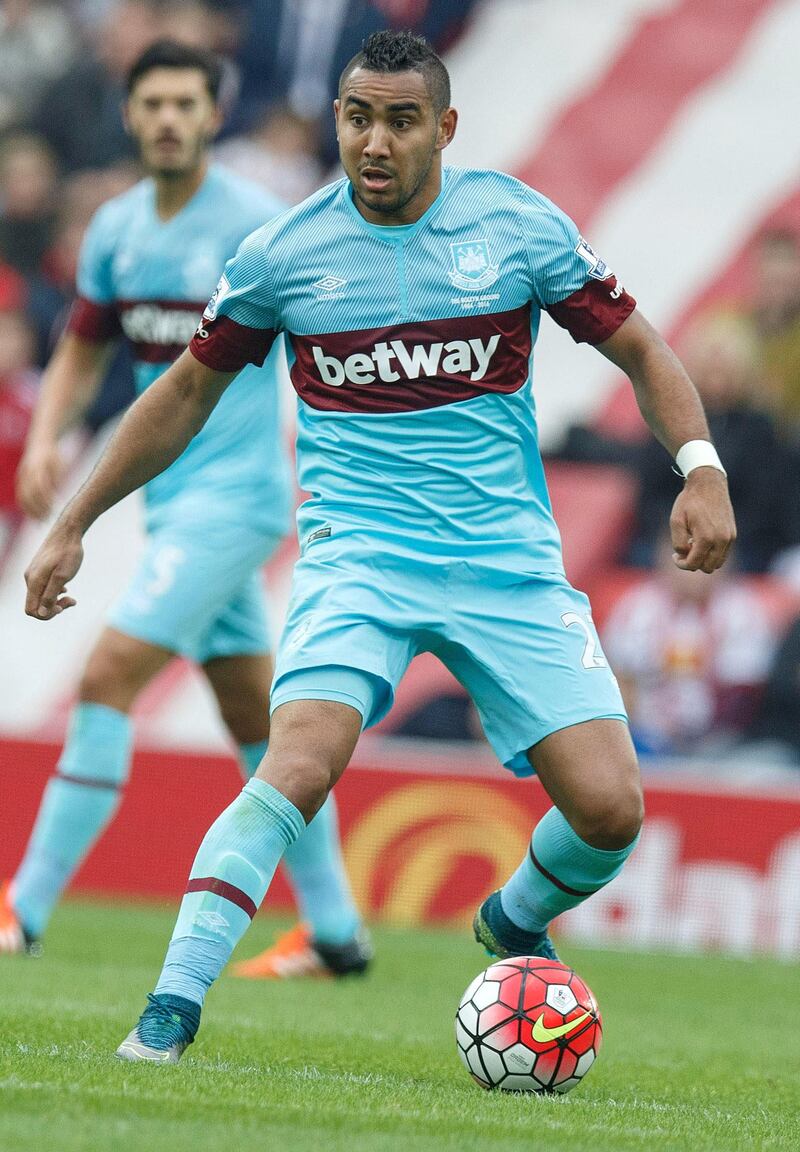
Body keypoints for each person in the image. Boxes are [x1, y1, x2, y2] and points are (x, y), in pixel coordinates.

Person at [23, 30, 735, 1063]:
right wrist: (75, 522)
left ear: (442, 128)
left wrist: (701, 466)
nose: (375, 140)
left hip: (506, 566)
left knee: (609, 811)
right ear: (338, 122)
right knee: (294, 764)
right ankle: (167, 1014)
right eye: (358, 117)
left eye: (400, 121)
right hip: (360, 564)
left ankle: (508, 923)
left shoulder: (515, 226)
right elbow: (180, 391)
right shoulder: (285, 253)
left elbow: (637, 346)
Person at [1, 39, 371, 981]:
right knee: (263, 728)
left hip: (237, 503)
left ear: (214, 116)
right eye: (153, 103)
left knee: (107, 676)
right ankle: (336, 933)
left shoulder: (257, 225)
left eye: (186, 104)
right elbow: (84, 346)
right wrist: (47, 435)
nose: (168, 118)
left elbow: (329, 343)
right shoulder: (117, 228)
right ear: (131, 115)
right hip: (171, 508)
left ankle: (23, 911)